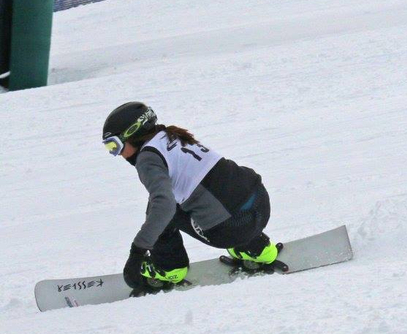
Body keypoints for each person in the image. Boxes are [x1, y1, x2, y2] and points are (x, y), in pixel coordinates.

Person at [101, 102, 278, 295]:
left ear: (132, 134)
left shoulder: (147, 158)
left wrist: (137, 253)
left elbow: (164, 207)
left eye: (114, 146)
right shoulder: (171, 136)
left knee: (158, 208)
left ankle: (169, 269)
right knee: (212, 195)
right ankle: (259, 249)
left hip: (231, 229)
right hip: (259, 206)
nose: (116, 154)